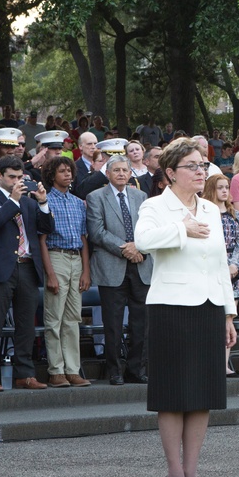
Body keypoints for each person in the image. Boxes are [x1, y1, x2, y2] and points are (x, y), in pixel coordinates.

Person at [135, 137, 237, 477]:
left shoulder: (211, 209)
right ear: (170, 173)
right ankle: (174, 474)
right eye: (192, 166)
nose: (200, 171)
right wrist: (183, 231)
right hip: (171, 307)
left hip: (209, 306)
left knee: (203, 395)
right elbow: (142, 240)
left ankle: (193, 472)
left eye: (203, 165)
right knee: (173, 394)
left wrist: (228, 313)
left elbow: (220, 266)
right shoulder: (155, 206)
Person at [0, 155, 54, 391]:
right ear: (0, 176)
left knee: (25, 324)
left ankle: (25, 374)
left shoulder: (29, 202)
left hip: (28, 267)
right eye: (12, 177)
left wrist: (42, 203)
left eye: (20, 177)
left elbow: (47, 228)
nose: (17, 181)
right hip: (0, 269)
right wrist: (13, 200)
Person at [86, 154, 153, 385]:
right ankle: (114, 371)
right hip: (112, 267)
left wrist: (140, 248)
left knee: (141, 323)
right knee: (112, 324)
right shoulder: (96, 197)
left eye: (126, 170)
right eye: (117, 171)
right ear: (108, 174)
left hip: (141, 265)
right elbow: (97, 232)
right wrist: (126, 249)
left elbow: (148, 227)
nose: (122, 174)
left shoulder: (141, 196)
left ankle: (137, 370)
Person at [38, 155, 92, 387]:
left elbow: (83, 238)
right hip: (56, 256)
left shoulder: (78, 202)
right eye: (62, 171)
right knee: (54, 317)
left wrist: (86, 270)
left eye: (69, 171)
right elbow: (42, 239)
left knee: (72, 317)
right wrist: (49, 273)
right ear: (52, 175)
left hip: (75, 258)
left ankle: (72, 369)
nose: (67, 174)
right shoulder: (45, 201)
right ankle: (56, 370)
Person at [201, 174, 239, 377]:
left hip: (232, 272)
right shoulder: (204, 213)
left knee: (229, 318)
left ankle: (224, 363)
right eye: (220, 187)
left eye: (227, 187)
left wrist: (235, 265)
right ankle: (210, 362)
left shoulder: (234, 213)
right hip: (212, 268)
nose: (224, 191)